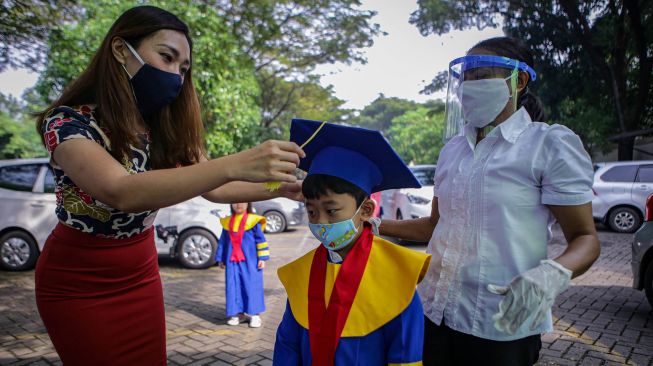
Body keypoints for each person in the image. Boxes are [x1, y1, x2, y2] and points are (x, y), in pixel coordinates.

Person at [33, 6, 304, 365]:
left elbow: (216, 188)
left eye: (184, 68)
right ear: (120, 49)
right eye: (167, 57)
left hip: (140, 272)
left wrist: (286, 188)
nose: (176, 75)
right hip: (78, 281)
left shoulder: (161, 126)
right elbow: (121, 190)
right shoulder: (67, 122)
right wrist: (236, 162)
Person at [372, 37, 600, 365]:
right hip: (434, 313)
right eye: (466, 78)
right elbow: (434, 226)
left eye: (482, 75)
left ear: (518, 81)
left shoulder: (548, 144)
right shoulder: (452, 150)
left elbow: (586, 238)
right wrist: (377, 224)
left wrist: (552, 273)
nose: (470, 86)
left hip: (501, 324)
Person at [273, 119, 431, 366]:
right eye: (312, 212)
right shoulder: (300, 274)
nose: (321, 223)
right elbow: (288, 345)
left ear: (366, 209)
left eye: (332, 211)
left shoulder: (398, 275)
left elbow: (405, 357)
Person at [215, 202, 269, 328]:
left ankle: (255, 315)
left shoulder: (253, 221)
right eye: (235, 201)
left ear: (248, 203)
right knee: (233, 286)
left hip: (250, 261)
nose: (238, 204)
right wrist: (220, 258)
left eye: (242, 201)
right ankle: (237, 314)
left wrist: (262, 258)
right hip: (232, 262)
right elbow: (223, 242)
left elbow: (260, 241)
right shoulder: (227, 222)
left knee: (251, 286)